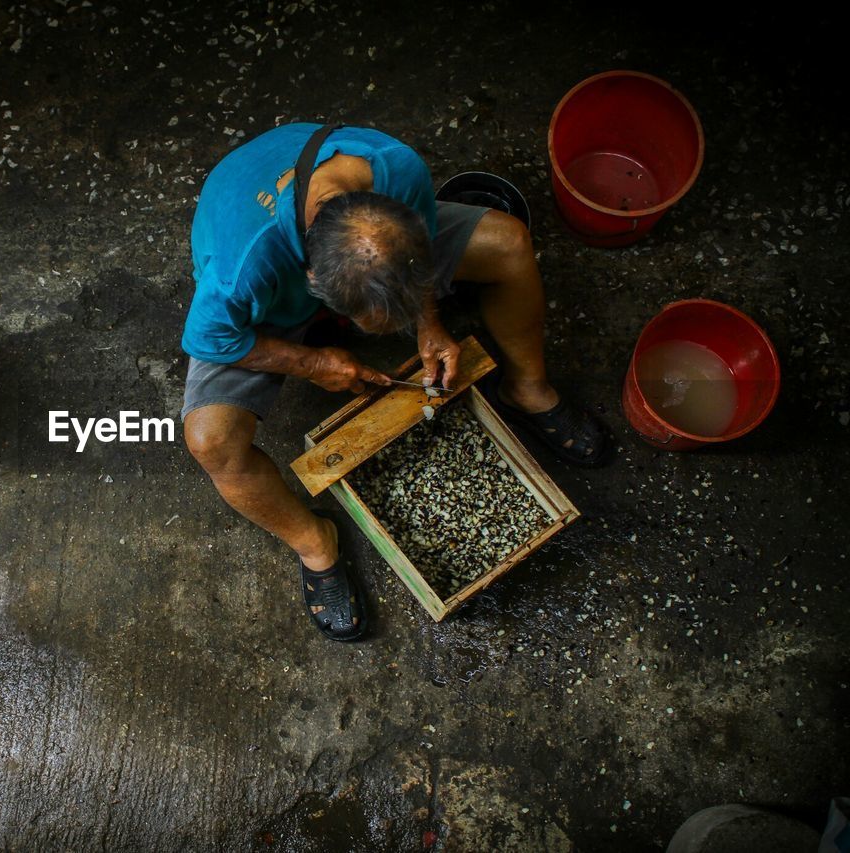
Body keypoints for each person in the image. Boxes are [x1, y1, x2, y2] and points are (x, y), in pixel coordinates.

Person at [180, 123, 609, 642]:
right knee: (212, 443)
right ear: (314, 285)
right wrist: (314, 364)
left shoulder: (396, 169)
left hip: (364, 259)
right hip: (259, 294)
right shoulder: (241, 268)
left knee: (510, 243)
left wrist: (429, 324)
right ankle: (317, 542)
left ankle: (528, 389)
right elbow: (209, 341)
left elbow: (419, 263)